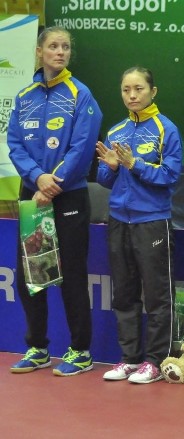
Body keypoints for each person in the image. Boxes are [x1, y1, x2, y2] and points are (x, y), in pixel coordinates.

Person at [7, 26, 103, 376]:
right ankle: (37, 348)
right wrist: (37, 178)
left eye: (64, 47)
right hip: (33, 193)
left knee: (71, 273)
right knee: (31, 273)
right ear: (39, 52)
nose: (59, 52)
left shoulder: (81, 94)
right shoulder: (25, 96)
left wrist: (51, 183)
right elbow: (14, 144)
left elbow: (82, 147)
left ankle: (80, 351)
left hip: (69, 194)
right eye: (52, 46)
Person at [96, 67, 182, 384]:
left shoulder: (166, 129)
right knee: (124, 293)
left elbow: (170, 178)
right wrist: (112, 167)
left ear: (152, 91)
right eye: (126, 90)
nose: (132, 96)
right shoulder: (116, 131)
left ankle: (156, 361)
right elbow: (106, 180)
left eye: (139, 89)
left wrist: (135, 164)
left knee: (157, 296)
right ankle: (129, 359)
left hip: (152, 221)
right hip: (119, 219)